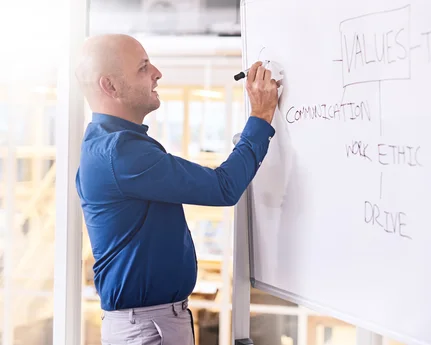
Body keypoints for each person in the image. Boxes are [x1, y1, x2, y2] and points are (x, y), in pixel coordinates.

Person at [74, 34, 279, 345]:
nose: (157, 72)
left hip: (150, 323)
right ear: (110, 86)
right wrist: (261, 116)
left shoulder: (111, 145)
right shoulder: (121, 153)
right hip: (147, 328)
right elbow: (222, 188)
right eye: (143, 68)